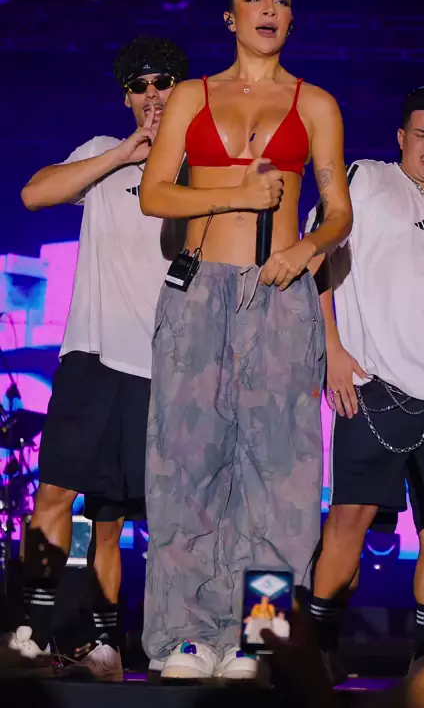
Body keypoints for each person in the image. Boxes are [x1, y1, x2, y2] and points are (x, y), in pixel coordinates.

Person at [139, 0, 352, 679]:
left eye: (282, 0)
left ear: (291, 20)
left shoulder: (315, 103)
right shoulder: (191, 96)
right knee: (186, 468)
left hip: (278, 295)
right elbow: (155, 195)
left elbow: (339, 210)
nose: (269, 9)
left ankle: (260, 635)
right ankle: (186, 635)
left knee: (280, 477)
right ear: (230, 17)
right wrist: (237, 189)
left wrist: (305, 249)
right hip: (199, 292)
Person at [6, 36, 189, 680]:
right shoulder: (101, 152)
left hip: (167, 368)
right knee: (55, 494)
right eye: (140, 86)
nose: (152, 95)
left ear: (184, 91)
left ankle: (127, 645)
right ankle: (32, 633)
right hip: (94, 356)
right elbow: (33, 195)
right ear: (126, 98)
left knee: (127, 521)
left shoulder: (203, 166)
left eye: (163, 83)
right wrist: (123, 154)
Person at [305, 86, 424, 672]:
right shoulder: (367, 179)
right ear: (401, 137)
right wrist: (330, 347)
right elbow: (316, 257)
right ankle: (317, 650)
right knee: (347, 521)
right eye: (420, 133)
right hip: (372, 385)